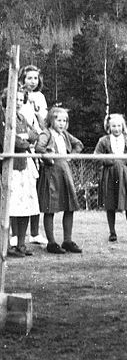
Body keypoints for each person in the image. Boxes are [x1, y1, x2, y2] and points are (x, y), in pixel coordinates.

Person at [35, 106, 84, 255]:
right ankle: (51, 242)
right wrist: (48, 157)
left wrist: (71, 156)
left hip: (65, 172)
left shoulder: (65, 135)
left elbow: (79, 144)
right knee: (50, 208)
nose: (62, 124)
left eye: (64, 121)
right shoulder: (47, 133)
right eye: (58, 120)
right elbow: (39, 147)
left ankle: (67, 240)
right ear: (51, 120)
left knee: (69, 206)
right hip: (51, 173)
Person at [11, 64, 49, 246]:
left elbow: (42, 122)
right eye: (29, 78)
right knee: (17, 191)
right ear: (22, 79)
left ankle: (35, 232)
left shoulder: (40, 97)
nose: (32, 82)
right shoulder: (17, 97)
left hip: (34, 145)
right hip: (21, 147)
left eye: (35, 78)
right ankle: (15, 234)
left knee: (34, 189)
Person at [0, 86, 40, 258]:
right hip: (9, 167)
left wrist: (24, 138)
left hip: (23, 166)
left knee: (25, 205)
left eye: (19, 100)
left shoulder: (21, 117)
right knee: (7, 206)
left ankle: (21, 244)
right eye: (12, 99)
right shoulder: (2, 117)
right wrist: (23, 141)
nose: (16, 103)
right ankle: (5, 244)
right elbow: (8, 139)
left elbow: (35, 134)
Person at [94, 113, 127, 244]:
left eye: (119, 126)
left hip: (125, 173)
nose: (116, 129)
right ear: (109, 127)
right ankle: (112, 232)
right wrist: (110, 160)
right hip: (109, 174)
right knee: (110, 203)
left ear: (123, 126)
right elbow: (97, 155)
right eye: (113, 126)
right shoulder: (103, 140)